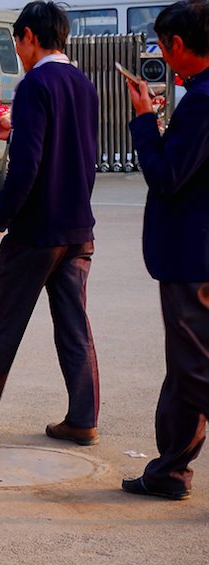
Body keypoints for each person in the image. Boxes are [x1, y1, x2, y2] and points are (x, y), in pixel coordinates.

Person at [0, 1, 101, 445]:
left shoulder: (34, 84)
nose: (19, 50)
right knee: (74, 325)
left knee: (5, 320)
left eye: (17, 41)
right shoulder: (83, 84)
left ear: (29, 37)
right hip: (77, 227)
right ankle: (83, 419)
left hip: (37, 228)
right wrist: (16, 127)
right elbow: (81, 152)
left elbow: (26, 166)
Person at [120, 0, 209, 500]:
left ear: (177, 45)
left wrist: (142, 120)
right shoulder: (197, 95)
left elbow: (168, 177)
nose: (159, 53)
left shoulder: (201, 100)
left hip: (192, 255)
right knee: (184, 367)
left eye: (160, 44)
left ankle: (171, 470)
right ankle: (170, 471)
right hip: (194, 252)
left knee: (196, 371)